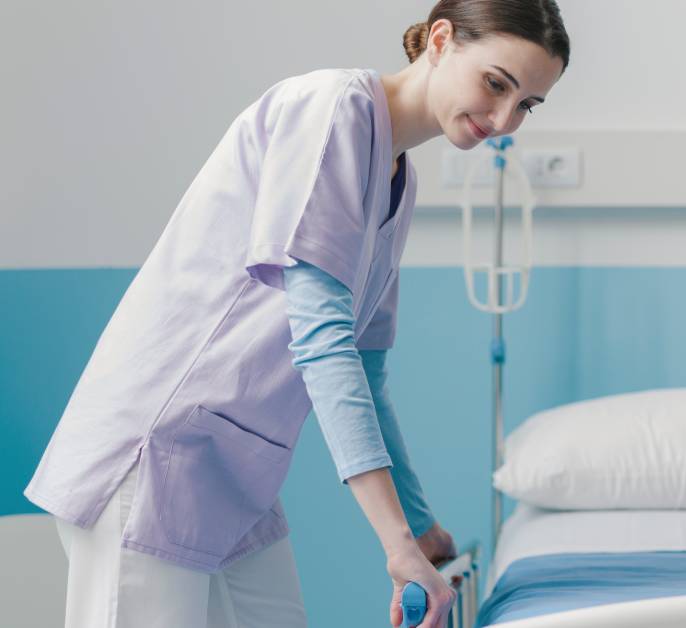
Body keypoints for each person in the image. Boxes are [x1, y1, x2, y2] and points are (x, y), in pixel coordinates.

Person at [22, 1, 569, 626]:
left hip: (235, 473)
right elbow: (323, 341)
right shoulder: (334, 110)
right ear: (440, 40)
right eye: (496, 83)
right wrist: (395, 545)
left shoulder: (398, 179)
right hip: (155, 453)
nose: (504, 119)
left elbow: (365, 372)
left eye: (526, 104)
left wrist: (419, 527)